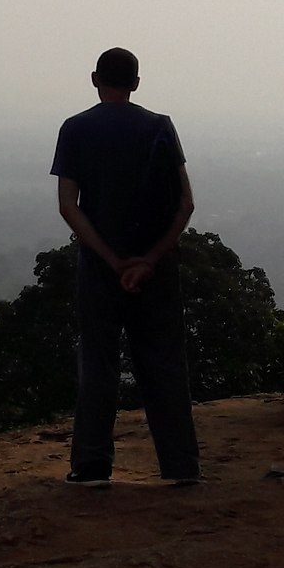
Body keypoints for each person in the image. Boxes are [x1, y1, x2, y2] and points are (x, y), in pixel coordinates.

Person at [50, 46, 198, 486]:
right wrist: (148, 260)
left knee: (98, 362)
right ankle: (181, 466)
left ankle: (92, 464)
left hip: (100, 265)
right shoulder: (159, 128)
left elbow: (68, 207)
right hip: (156, 265)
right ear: (136, 83)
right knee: (165, 363)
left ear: (95, 79)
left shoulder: (76, 129)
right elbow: (186, 204)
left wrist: (113, 261)